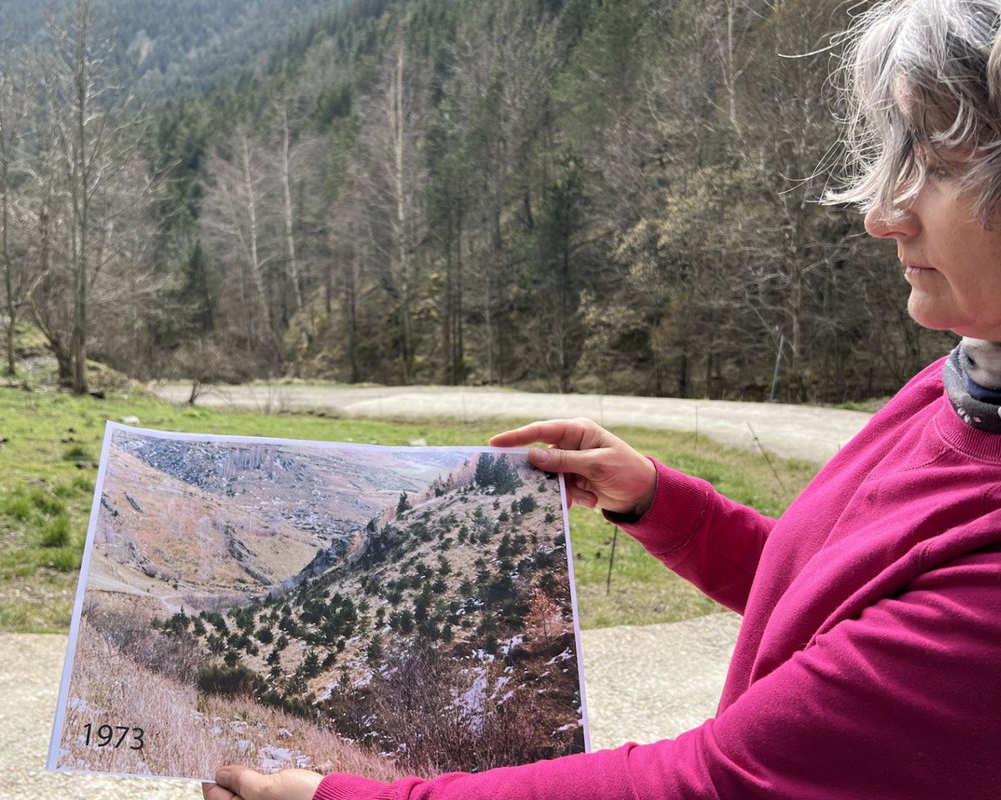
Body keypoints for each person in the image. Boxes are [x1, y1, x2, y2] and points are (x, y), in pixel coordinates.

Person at [203, 1, 1001, 797]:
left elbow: (711, 782)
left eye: (935, 165)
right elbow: (832, 606)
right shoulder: (961, 381)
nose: (881, 213)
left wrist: (333, 797)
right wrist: (662, 504)